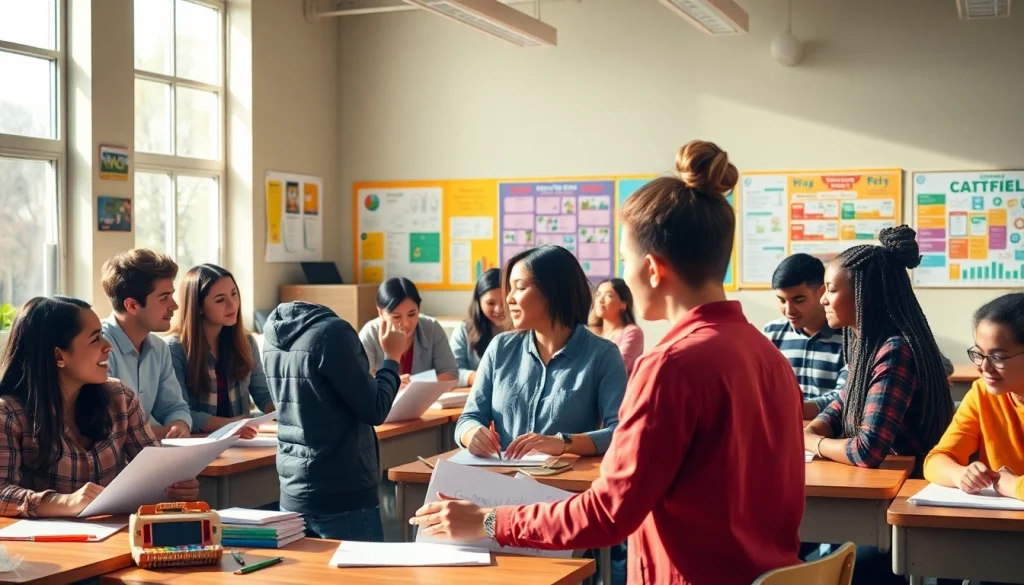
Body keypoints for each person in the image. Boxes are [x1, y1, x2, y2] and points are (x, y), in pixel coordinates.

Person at [414, 140, 805, 585]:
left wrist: (488, 521)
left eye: (624, 259)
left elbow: (608, 513)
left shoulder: (671, 366)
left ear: (653, 269)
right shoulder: (768, 356)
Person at [803, 225, 955, 585]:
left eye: (831, 289)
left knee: (848, 568)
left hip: (910, 499)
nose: (822, 299)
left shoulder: (896, 349)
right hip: (881, 490)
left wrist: (812, 442)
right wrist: (819, 425)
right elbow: (844, 400)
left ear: (863, 295)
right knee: (787, 530)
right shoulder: (866, 342)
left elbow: (867, 451)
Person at [0, 296, 199, 518]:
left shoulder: (120, 397)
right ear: (59, 355)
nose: (108, 346)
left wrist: (174, 485)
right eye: (95, 339)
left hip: (117, 533)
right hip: (42, 540)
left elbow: (156, 470)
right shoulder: (9, 414)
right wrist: (64, 502)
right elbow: (1, 492)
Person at [454, 245, 626, 460]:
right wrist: (472, 434)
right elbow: (468, 418)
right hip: (501, 475)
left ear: (553, 291)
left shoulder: (603, 355)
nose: (509, 299)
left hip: (565, 478)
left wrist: (563, 442)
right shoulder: (499, 348)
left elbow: (620, 432)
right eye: (510, 288)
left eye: (520, 287)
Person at [262, 301, 406, 541]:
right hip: (343, 492)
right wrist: (392, 357)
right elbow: (376, 409)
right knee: (360, 566)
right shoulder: (335, 333)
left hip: (293, 491)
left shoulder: (272, 335)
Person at [924, 293, 1024, 502]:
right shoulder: (982, 394)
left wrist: (1013, 485)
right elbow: (935, 461)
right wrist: (960, 474)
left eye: (997, 357)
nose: (984, 367)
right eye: (979, 354)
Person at [167, 264, 274, 435]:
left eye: (234, 294)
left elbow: (263, 395)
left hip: (241, 439)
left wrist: (288, 409)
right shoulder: (174, 349)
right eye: (220, 300)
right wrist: (233, 424)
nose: (232, 305)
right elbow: (180, 414)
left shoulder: (246, 342)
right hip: (200, 441)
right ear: (198, 307)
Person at [101, 249, 192, 440]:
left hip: (148, 452)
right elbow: (109, 430)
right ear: (132, 305)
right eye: (164, 298)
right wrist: (167, 433)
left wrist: (180, 424)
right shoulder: (99, 347)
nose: (174, 306)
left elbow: (174, 407)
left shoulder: (159, 348)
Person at [763, 254, 845, 419]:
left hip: (828, 432)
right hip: (781, 429)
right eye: (782, 300)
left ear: (822, 292)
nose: (789, 310)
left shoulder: (849, 337)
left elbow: (845, 397)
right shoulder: (771, 333)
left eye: (798, 300)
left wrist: (786, 410)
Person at [359, 277, 458, 386]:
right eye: (396, 317)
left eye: (412, 314)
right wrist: (390, 385)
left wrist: (416, 388)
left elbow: (451, 373)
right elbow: (361, 384)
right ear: (381, 313)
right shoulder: (370, 334)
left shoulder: (431, 328)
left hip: (423, 396)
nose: (406, 323)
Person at [449, 269, 505, 387]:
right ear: (478, 302)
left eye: (505, 302)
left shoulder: (524, 329)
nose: (499, 309)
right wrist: (479, 377)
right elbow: (452, 373)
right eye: (490, 303)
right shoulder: (464, 330)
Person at [589, 278, 644, 376]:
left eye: (609, 296)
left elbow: (617, 368)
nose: (600, 300)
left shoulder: (631, 332)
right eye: (598, 295)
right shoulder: (591, 333)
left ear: (623, 304)